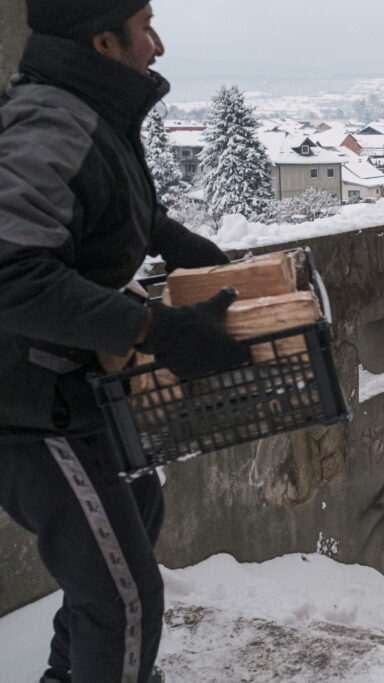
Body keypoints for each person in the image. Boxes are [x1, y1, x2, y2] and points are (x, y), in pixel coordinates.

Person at [0, 2, 249, 681]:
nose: (157, 44)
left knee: (132, 522)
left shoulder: (84, 108)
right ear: (104, 41)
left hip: (74, 387)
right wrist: (153, 329)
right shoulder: (52, 120)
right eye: (145, 25)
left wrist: (172, 240)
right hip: (29, 405)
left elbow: (93, 199)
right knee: (123, 597)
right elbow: (11, 271)